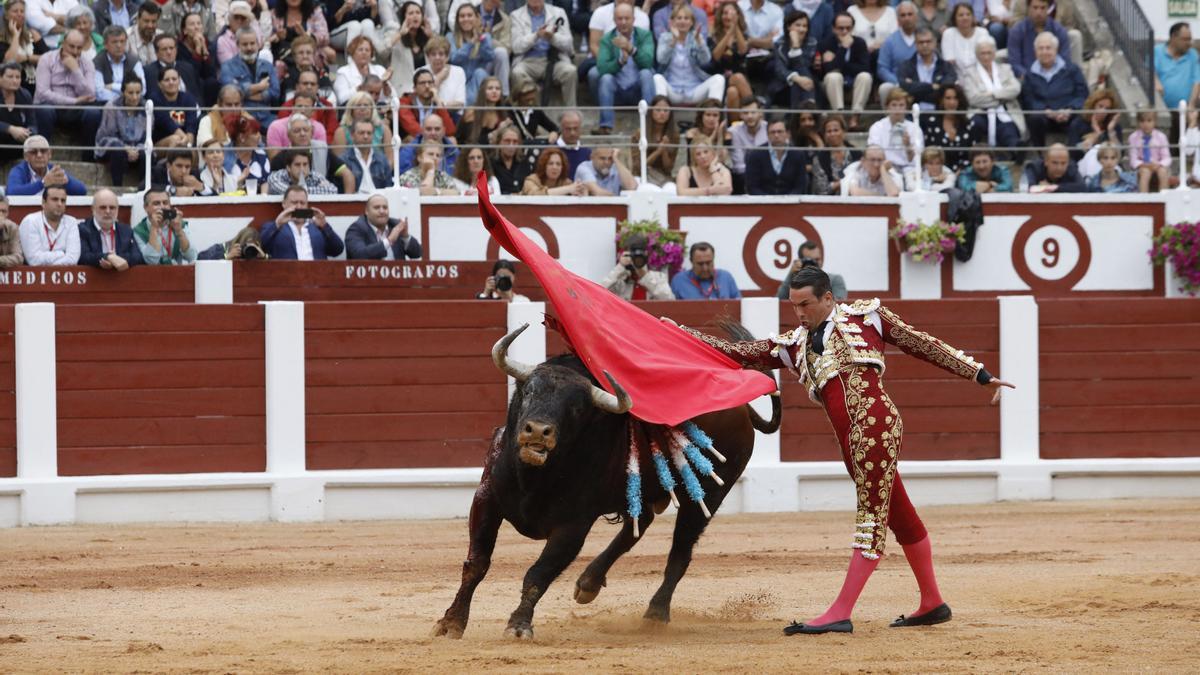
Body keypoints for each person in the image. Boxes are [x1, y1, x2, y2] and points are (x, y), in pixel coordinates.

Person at [687, 266, 1012, 635]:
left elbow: (921, 343)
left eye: (806, 304)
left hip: (876, 426)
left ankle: (840, 611)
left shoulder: (867, 317)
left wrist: (979, 374)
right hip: (849, 440)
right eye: (794, 306)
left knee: (871, 521)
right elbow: (743, 351)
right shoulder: (795, 344)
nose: (800, 313)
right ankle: (932, 602)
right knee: (900, 516)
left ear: (828, 298)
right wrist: (681, 336)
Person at [33, 29, 103, 159]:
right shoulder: (46, 59)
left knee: (93, 112)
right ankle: (41, 156)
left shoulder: (87, 63)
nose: (75, 51)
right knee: (44, 109)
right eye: (71, 46)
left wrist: (76, 70)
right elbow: (43, 93)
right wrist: (74, 101)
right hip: (53, 106)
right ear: (63, 43)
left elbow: (90, 95)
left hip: (76, 109)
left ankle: (88, 158)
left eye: (79, 48)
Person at [591, 2, 655, 134]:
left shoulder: (644, 35)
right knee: (606, 78)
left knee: (646, 74)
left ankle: (650, 124)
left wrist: (631, 49)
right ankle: (606, 126)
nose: (624, 22)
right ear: (614, 20)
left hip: (637, 89)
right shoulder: (607, 39)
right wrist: (620, 62)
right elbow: (602, 68)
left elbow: (648, 62)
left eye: (627, 18)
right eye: (620, 19)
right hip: (617, 90)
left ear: (634, 19)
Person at [1020, 31, 1086, 151]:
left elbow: (1082, 94)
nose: (1045, 52)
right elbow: (1028, 100)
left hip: (1068, 115)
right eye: (1041, 48)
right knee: (1034, 118)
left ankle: (1072, 157)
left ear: (1056, 50)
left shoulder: (1072, 69)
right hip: (1045, 116)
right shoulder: (1030, 75)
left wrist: (1069, 110)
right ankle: (1041, 155)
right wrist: (1046, 111)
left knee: (1080, 121)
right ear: (1035, 52)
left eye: (1048, 48)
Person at [960, 35, 1022, 155]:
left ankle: (1015, 153)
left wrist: (993, 93)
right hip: (980, 111)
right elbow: (973, 99)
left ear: (994, 53)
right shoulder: (969, 73)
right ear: (977, 55)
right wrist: (1001, 98)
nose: (986, 56)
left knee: (1008, 128)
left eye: (989, 53)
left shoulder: (1005, 69)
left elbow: (1015, 89)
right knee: (976, 123)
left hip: (1004, 111)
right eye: (983, 53)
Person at [653, 4, 725, 106]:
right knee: (657, 78)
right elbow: (661, 60)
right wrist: (673, 41)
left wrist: (700, 43)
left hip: (694, 89)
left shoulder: (696, 37)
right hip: (673, 90)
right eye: (679, 18)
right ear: (672, 22)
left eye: (686, 18)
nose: (682, 21)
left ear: (691, 22)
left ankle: (713, 112)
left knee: (719, 79)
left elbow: (706, 60)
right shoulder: (665, 37)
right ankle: (662, 112)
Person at [510, 0, 576, 107]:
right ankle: (527, 115)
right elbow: (516, 47)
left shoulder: (558, 12)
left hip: (554, 60)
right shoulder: (516, 15)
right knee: (517, 72)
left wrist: (552, 38)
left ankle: (572, 113)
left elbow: (568, 44)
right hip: (528, 61)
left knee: (570, 71)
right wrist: (536, 36)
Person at [260, 185, 345, 260]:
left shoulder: (318, 228)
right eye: (294, 202)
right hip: (287, 276)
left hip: (316, 275)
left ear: (307, 205)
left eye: (302, 203)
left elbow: (338, 250)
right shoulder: (274, 227)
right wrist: (277, 224)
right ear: (284, 204)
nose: (299, 207)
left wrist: (325, 226)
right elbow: (260, 247)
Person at [818, 12, 872, 129]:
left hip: (854, 85)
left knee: (865, 76)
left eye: (848, 28)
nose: (845, 32)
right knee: (833, 76)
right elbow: (827, 69)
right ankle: (839, 117)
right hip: (832, 86)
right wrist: (843, 48)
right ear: (833, 29)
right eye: (840, 28)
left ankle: (855, 117)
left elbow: (865, 68)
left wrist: (839, 62)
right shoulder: (826, 43)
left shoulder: (859, 43)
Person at [219, 27, 279, 126]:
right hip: (241, 118)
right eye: (245, 44)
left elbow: (275, 92)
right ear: (237, 45)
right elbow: (230, 92)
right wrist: (259, 87)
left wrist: (246, 94)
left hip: (266, 118)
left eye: (252, 43)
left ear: (258, 44)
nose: (249, 48)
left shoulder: (267, 65)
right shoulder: (227, 66)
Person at [95, 77, 146, 188]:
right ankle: (117, 188)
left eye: (138, 93)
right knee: (117, 149)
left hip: (137, 147)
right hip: (111, 144)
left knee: (146, 153)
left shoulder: (146, 108)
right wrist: (126, 148)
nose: (135, 97)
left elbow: (145, 136)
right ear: (123, 92)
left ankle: (144, 189)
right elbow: (110, 134)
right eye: (130, 93)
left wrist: (136, 149)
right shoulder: (112, 106)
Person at [1154, 22, 1200, 143]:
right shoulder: (1157, 51)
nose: (1189, 43)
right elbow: (1148, 71)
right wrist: (1156, 81)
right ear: (1173, 37)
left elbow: (1197, 80)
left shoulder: (1193, 55)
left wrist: (1192, 104)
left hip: (1185, 109)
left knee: (1188, 143)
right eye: (1185, 39)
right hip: (1164, 109)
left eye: (1190, 39)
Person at [868, 88, 923, 185]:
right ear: (887, 107)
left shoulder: (915, 128)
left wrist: (908, 146)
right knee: (896, 183)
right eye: (894, 105)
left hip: (909, 169)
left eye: (901, 105)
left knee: (914, 185)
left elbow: (916, 160)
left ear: (906, 108)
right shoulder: (877, 127)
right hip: (886, 167)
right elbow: (874, 153)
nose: (897, 109)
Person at [78, 187, 144, 269]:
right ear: (93, 209)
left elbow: (137, 257)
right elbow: (83, 257)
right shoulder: (82, 229)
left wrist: (115, 260)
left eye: (112, 208)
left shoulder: (126, 231)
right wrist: (107, 257)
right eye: (103, 207)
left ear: (117, 209)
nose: (108, 211)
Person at [345, 193, 422, 260]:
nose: (382, 211)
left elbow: (417, 254)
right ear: (367, 211)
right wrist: (389, 241)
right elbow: (359, 255)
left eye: (385, 207)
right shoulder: (356, 229)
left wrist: (405, 236)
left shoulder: (395, 225)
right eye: (376, 207)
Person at [1007, 0, 1071, 80]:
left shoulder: (1059, 30)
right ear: (1028, 8)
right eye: (1035, 8)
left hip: (1055, 80)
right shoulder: (1017, 31)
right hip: (1027, 80)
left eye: (1043, 8)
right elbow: (1014, 63)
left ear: (1048, 9)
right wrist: (1031, 78)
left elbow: (1065, 60)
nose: (1038, 12)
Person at [708, 2, 752, 120]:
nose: (728, 16)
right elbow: (715, 56)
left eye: (731, 13)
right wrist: (728, 33)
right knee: (737, 78)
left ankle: (736, 125)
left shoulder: (743, 35)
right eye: (725, 13)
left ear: (738, 15)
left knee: (733, 91)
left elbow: (743, 51)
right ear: (720, 16)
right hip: (720, 78)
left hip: (740, 78)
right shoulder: (714, 35)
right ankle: (754, 111)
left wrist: (735, 27)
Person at [895, 28, 955, 112]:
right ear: (915, 44)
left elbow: (947, 86)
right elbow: (904, 86)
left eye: (928, 41)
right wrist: (932, 86)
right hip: (912, 113)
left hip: (940, 112)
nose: (925, 45)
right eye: (921, 42)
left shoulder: (945, 65)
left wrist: (916, 86)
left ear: (935, 43)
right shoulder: (906, 65)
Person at [18, 183, 80, 266]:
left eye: (63, 200)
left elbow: (73, 259)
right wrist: (62, 253)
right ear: (43, 202)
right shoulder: (30, 221)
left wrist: (49, 264)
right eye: (55, 199)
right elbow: (34, 260)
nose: (59, 204)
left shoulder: (71, 222)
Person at [449, 3, 498, 106]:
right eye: (462, 16)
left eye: (469, 15)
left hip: (477, 81)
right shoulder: (450, 37)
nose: (466, 19)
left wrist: (482, 41)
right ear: (457, 20)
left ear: (477, 18)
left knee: (480, 73)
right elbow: (454, 59)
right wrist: (471, 43)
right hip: (458, 82)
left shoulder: (485, 37)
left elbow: (490, 57)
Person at [745, 117, 808, 195]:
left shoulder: (798, 155)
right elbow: (752, 187)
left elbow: (800, 186)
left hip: (791, 203)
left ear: (788, 134)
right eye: (772, 132)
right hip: (763, 203)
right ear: (767, 135)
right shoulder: (755, 154)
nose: (776, 135)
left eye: (780, 132)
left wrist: (788, 200)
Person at [768, 9, 818, 108]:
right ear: (788, 27)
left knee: (799, 84)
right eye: (798, 25)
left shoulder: (812, 43)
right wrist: (797, 78)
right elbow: (779, 69)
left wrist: (796, 47)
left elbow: (804, 67)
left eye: (805, 26)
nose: (802, 29)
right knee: (798, 83)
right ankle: (808, 108)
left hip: (809, 81)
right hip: (783, 85)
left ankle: (799, 115)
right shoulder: (779, 44)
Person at [7, 135, 87, 196]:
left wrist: (67, 182)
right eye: (34, 152)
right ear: (26, 156)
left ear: (49, 154)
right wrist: (43, 183)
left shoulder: (53, 170)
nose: (39, 155)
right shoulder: (19, 170)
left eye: (43, 151)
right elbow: (12, 192)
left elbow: (82, 190)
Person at [134, 187, 197, 265]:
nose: (162, 207)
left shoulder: (179, 224)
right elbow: (151, 261)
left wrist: (179, 231)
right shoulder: (139, 231)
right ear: (146, 207)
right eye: (156, 203)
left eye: (165, 203)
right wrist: (154, 228)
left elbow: (192, 257)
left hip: (177, 273)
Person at [602, 233, 673, 301]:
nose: (636, 259)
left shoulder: (658, 277)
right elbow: (599, 293)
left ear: (646, 255)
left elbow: (670, 300)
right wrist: (620, 267)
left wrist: (644, 276)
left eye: (640, 255)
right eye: (633, 255)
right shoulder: (621, 280)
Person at [921, 84, 975, 172]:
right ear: (941, 100)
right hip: (938, 172)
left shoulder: (968, 124)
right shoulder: (932, 123)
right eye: (948, 98)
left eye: (955, 98)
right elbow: (928, 153)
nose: (952, 102)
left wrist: (960, 171)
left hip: (963, 172)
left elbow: (971, 155)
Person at [384, 0, 432, 97]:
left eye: (418, 13)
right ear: (404, 18)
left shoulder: (427, 37)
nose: (415, 16)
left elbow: (443, 55)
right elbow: (382, 52)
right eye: (411, 13)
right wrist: (400, 34)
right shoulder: (395, 36)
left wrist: (431, 37)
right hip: (403, 90)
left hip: (426, 90)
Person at [630, 95, 679, 188]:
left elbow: (668, 168)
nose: (662, 114)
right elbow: (638, 167)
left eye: (666, 111)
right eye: (658, 110)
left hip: (663, 177)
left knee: (671, 189)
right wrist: (658, 152)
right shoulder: (639, 134)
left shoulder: (674, 135)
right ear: (651, 111)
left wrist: (664, 151)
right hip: (642, 176)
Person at [1066, 88, 1121, 169]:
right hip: (1085, 164)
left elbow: (1120, 154)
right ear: (1093, 105)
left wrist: (1111, 131)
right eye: (1100, 106)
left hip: (1110, 166)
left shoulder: (1113, 125)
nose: (1103, 111)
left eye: (1107, 108)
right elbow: (1073, 152)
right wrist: (1097, 135)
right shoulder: (1078, 123)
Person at [876, 1, 918, 105]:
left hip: (921, 82)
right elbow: (882, 68)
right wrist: (899, 82)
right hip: (897, 83)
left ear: (916, 16)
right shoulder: (890, 41)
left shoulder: (925, 38)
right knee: (884, 88)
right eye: (903, 15)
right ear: (898, 19)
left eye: (910, 14)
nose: (907, 18)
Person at [737, 0, 785, 88]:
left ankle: (766, 98)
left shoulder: (776, 10)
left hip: (767, 56)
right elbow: (735, 36)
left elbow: (774, 42)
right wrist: (766, 39)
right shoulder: (739, 7)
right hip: (741, 54)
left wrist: (750, 41)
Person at [809, 114, 861, 195]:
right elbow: (821, 189)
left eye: (836, 130)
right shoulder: (819, 158)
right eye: (829, 131)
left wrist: (836, 184)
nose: (832, 134)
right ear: (825, 135)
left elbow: (863, 181)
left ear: (843, 132)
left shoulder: (857, 154)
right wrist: (845, 181)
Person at [398, 68, 457, 139]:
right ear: (414, 88)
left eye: (430, 82)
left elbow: (450, 131)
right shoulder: (405, 102)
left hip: (436, 141)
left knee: (452, 140)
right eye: (422, 83)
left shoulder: (437, 103)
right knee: (410, 138)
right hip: (416, 141)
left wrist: (438, 102)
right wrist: (431, 138)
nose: (427, 86)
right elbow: (412, 127)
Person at [93, 25, 145, 105]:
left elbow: (143, 89)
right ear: (105, 45)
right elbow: (99, 93)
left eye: (122, 41)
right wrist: (126, 96)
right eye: (114, 42)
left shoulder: (133, 60)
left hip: (132, 104)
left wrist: (113, 86)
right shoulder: (98, 62)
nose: (119, 45)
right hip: (106, 105)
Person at [150, 66, 201, 149]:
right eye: (167, 80)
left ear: (179, 81)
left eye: (174, 79)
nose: (171, 82)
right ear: (159, 84)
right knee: (175, 139)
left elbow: (191, 127)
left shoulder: (188, 98)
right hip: (160, 144)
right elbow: (167, 123)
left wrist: (188, 144)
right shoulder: (155, 99)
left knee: (192, 148)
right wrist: (184, 138)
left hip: (184, 141)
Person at [670, 242, 740, 300]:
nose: (705, 268)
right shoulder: (679, 280)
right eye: (700, 264)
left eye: (708, 263)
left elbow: (739, 305)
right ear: (691, 261)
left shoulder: (726, 277)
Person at [775, 243, 846, 300]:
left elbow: (839, 305)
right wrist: (791, 274)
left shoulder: (834, 280)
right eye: (810, 260)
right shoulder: (795, 282)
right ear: (801, 261)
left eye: (817, 259)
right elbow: (779, 302)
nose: (814, 263)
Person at [341, 118, 394, 191]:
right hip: (355, 200)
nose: (366, 136)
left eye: (369, 133)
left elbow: (389, 187)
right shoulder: (343, 160)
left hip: (378, 200)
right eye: (361, 133)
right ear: (352, 135)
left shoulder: (382, 159)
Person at [333, 34, 387, 105]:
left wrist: (386, 85)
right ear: (353, 53)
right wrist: (360, 88)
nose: (364, 52)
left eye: (367, 50)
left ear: (371, 54)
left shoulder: (380, 70)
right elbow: (341, 99)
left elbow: (392, 98)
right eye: (360, 50)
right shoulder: (343, 72)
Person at [143, 33, 200, 100]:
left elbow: (196, 95)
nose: (169, 52)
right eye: (164, 49)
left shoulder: (188, 68)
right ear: (156, 53)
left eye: (171, 48)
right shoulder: (149, 72)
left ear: (176, 50)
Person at [0, 63, 37, 164]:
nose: (15, 80)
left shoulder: (25, 95)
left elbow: (32, 123)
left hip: (15, 142)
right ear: (0, 78)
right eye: (10, 77)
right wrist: (10, 129)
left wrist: (27, 132)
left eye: (18, 77)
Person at [1128, 110, 1171, 194]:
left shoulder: (1161, 137)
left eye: (1149, 121)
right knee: (1145, 172)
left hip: (1158, 165)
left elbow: (1167, 157)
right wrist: (1143, 164)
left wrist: (1159, 164)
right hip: (1142, 166)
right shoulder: (1133, 137)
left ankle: (1163, 199)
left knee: (1163, 172)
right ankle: (1144, 200)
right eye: (1142, 121)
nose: (1146, 124)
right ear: (1138, 122)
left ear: (1155, 121)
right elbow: (1133, 159)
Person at [729, 98, 767, 194]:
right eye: (745, 113)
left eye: (753, 112)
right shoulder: (734, 131)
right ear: (740, 115)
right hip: (744, 176)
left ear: (760, 113)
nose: (749, 116)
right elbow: (738, 165)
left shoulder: (769, 129)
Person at [225, 115, 271, 194]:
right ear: (242, 137)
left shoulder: (260, 153)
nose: (259, 136)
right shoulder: (223, 156)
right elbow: (221, 187)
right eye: (255, 133)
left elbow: (265, 181)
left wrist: (263, 198)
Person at [939, 2, 984, 76]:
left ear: (973, 17)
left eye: (968, 14)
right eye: (961, 15)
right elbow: (949, 61)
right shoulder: (948, 33)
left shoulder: (982, 32)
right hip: (956, 76)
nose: (965, 18)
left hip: (980, 75)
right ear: (954, 18)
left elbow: (986, 58)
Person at [266, 148, 338, 195]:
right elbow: (292, 194)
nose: (302, 169)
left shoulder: (315, 176)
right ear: (288, 167)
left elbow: (333, 190)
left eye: (305, 164)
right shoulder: (276, 176)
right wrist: (320, 189)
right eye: (297, 165)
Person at [1022, 143, 1086, 193]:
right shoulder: (1033, 168)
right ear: (1046, 161)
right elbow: (1030, 188)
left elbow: (1082, 187)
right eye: (1055, 163)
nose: (1059, 168)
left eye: (1063, 163)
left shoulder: (1071, 167)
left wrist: (1051, 188)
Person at [493, 126, 531, 195]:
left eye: (515, 141)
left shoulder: (524, 162)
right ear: (499, 142)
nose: (511, 145)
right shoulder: (491, 163)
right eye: (507, 141)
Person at [196, 225, 268, 260]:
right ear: (240, 241)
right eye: (246, 244)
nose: (249, 249)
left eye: (253, 246)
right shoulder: (220, 249)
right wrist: (226, 256)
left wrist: (264, 258)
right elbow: (200, 258)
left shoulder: (256, 254)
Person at [554, 110, 588, 179]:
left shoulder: (587, 152)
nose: (572, 133)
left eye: (576, 128)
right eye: (568, 129)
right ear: (561, 129)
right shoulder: (549, 150)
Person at [0, 195, 24, 267]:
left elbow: (18, 258)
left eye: (3, 211)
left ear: (8, 213)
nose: (0, 214)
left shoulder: (12, 227)